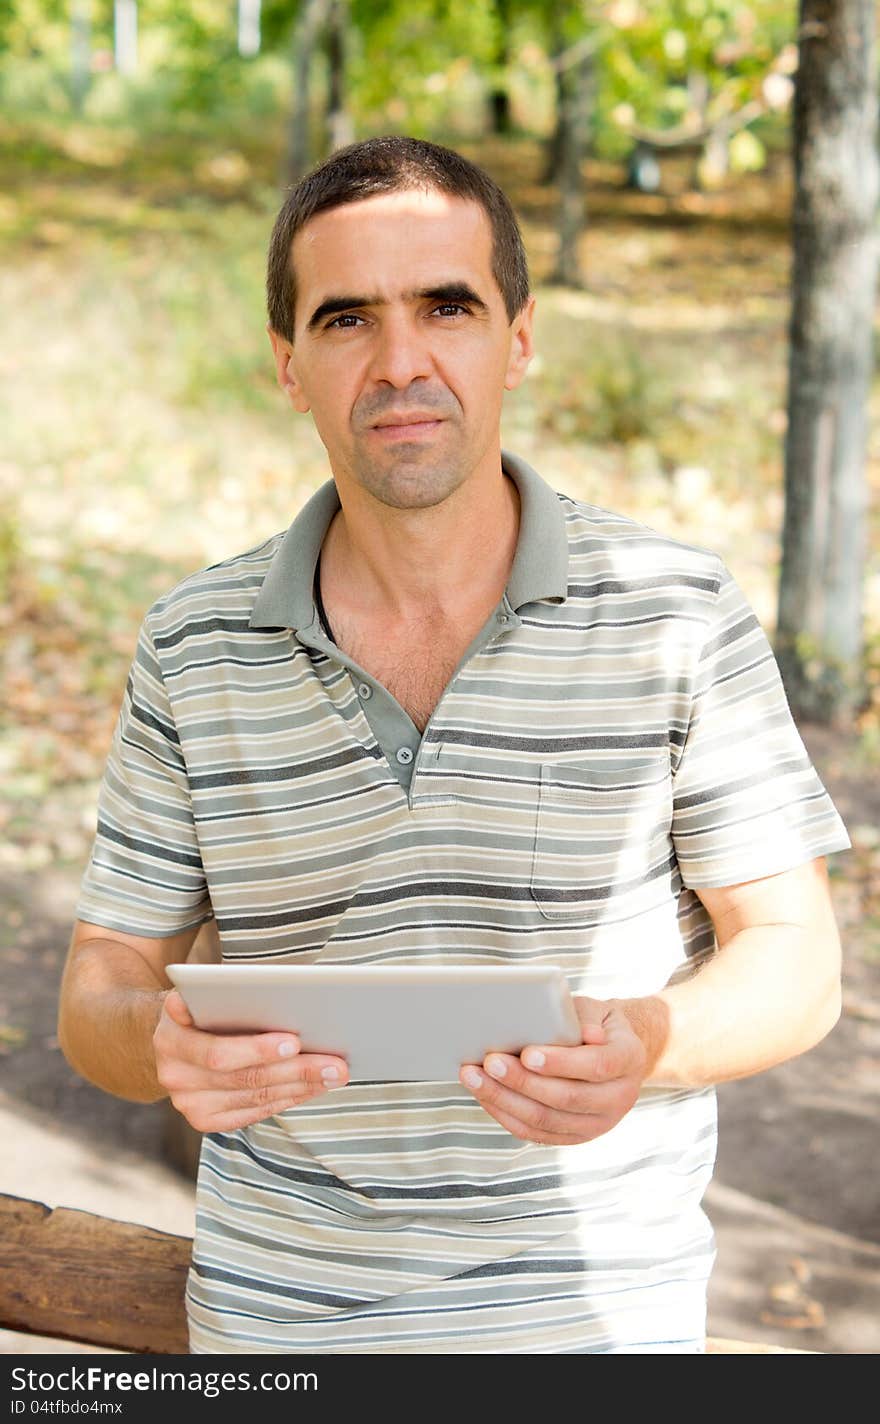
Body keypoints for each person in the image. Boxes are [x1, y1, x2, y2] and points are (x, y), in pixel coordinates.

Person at [58, 135, 851, 1355]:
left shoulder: (674, 609)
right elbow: (100, 990)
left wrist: (649, 1040)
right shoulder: (192, 643)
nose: (400, 362)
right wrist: (159, 1048)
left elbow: (797, 961)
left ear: (518, 338)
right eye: (346, 320)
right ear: (288, 364)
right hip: (279, 1331)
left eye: (446, 305)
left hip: (595, 1326)